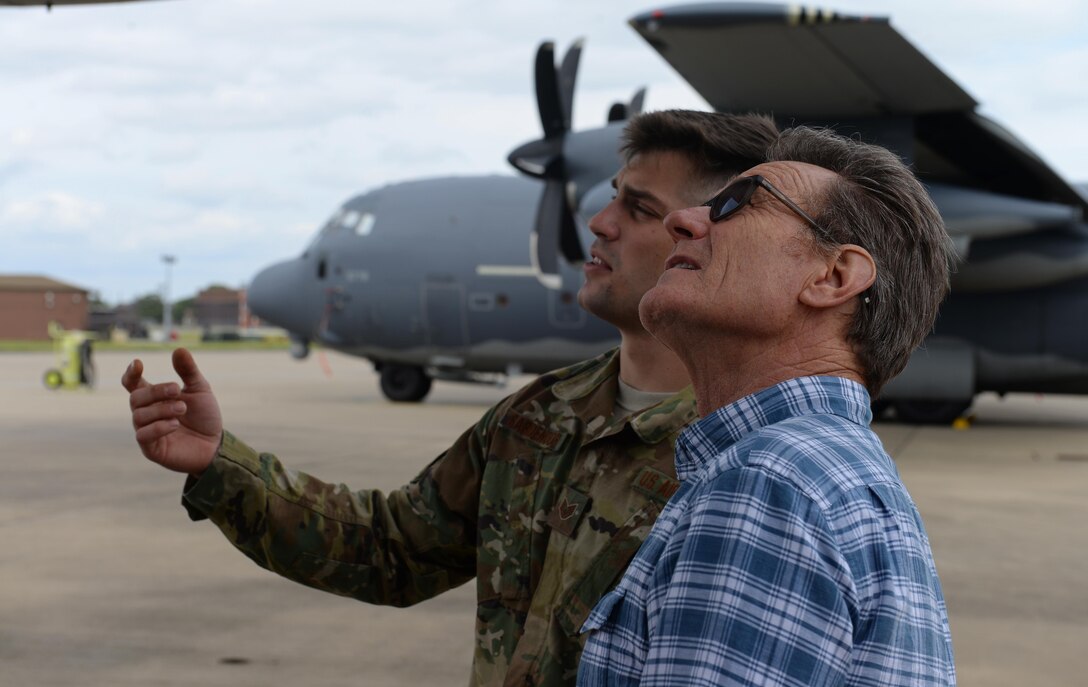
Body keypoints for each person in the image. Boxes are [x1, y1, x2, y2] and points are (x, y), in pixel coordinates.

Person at [122, 110, 780, 687]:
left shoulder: (764, 459)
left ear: (707, 233)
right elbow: (391, 550)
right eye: (611, 197)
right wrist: (218, 463)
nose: (599, 222)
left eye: (637, 208)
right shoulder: (539, 417)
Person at [577, 126, 957, 686]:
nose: (681, 220)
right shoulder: (826, 471)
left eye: (736, 204)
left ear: (833, 277)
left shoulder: (765, 485)